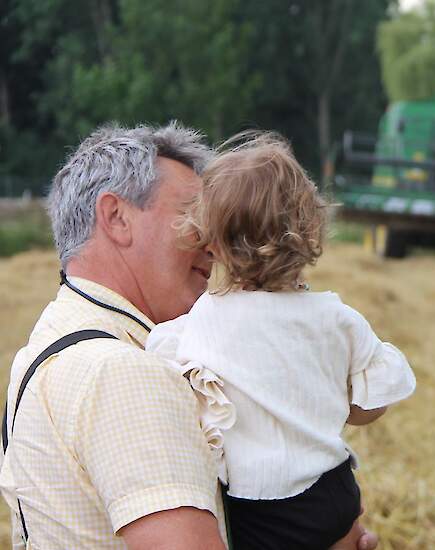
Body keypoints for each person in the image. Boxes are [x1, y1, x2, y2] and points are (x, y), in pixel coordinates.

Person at [0, 123, 381, 549]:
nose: (212, 243)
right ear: (116, 218)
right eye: (195, 217)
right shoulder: (126, 373)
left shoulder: (52, 344)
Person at [145, 133, 416, 550]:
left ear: (211, 241)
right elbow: (369, 408)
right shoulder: (337, 318)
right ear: (311, 229)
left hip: (258, 512)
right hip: (333, 494)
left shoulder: (200, 323)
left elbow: (175, 391)